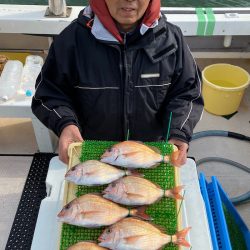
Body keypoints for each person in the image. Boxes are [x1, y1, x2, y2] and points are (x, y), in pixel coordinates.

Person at [32, 0, 203, 165]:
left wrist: (178, 131)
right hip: (92, 152)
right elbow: (49, 94)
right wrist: (65, 124)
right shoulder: (70, 41)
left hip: (150, 152)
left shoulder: (172, 39)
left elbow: (187, 93)